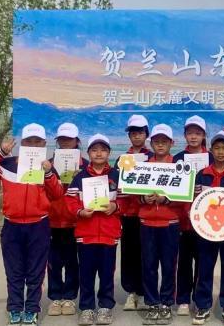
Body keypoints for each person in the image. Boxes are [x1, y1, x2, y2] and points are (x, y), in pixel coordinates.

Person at [0, 123, 63, 325]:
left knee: (36, 270)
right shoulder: (7, 165)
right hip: (12, 226)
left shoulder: (47, 167)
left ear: (44, 144)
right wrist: (1, 152)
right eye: (29, 141)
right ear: (22, 143)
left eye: (37, 141)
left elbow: (57, 194)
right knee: (14, 270)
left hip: (38, 226)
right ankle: (15, 308)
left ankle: (31, 309)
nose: (33, 144)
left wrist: (48, 174)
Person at [66, 134, 123, 326]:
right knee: (86, 273)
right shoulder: (79, 177)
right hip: (86, 234)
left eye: (103, 150)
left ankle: (105, 307)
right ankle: (87, 308)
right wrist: (80, 211)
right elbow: (70, 200)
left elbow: (126, 200)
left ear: (109, 153)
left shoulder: (116, 176)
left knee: (107, 273)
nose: (99, 154)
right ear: (88, 153)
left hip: (109, 234)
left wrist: (115, 206)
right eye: (94, 150)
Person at [191, 131, 224, 326]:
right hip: (206, 232)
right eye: (217, 148)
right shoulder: (202, 175)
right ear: (211, 150)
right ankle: (203, 306)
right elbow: (195, 202)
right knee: (204, 268)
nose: (221, 152)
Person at [139, 124, 186, 325]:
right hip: (147, 223)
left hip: (170, 223)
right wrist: (143, 199)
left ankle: (166, 303)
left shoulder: (179, 167)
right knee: (148, 265)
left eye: (164, 141)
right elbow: (131, 194)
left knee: (169, 265)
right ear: (151, 144)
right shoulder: (142, 167)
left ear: (171, 143)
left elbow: (185, 196)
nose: (160, 145)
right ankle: (152, 304)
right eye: (156, 141)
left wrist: (167, 200)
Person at [47, 123, 89, 317]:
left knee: (73, 261)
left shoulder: (86, 166)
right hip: (52, 220)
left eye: (69, 139)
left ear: (76, 141)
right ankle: (56, 297)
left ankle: (70, 297)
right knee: (53, 262)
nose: (65, 142)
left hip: (76, 221)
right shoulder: (47, 165)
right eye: (62, 139)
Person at [172, 115, 212, 317]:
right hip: (184, 221)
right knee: (184, 262)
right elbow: (172, 188)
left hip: (206, 222)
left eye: (197, 133)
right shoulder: (177, 158)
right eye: (190, 133)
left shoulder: (212, 158)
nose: (193, 136)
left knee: (204, 262)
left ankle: (200, 299)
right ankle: (183, 300)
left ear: (204, 135)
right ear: (185, 135)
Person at [114, 114, 153, 312]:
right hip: (128, 215)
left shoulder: (153, 158)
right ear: (129, 136)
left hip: (147, 215)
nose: (137, 136)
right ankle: (131, 292)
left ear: (146, 134)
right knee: (129, 255)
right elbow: (116, 186)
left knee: (147, 255)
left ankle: (145, 293)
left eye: (140, 132)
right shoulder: (122, 160)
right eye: (133, 133)